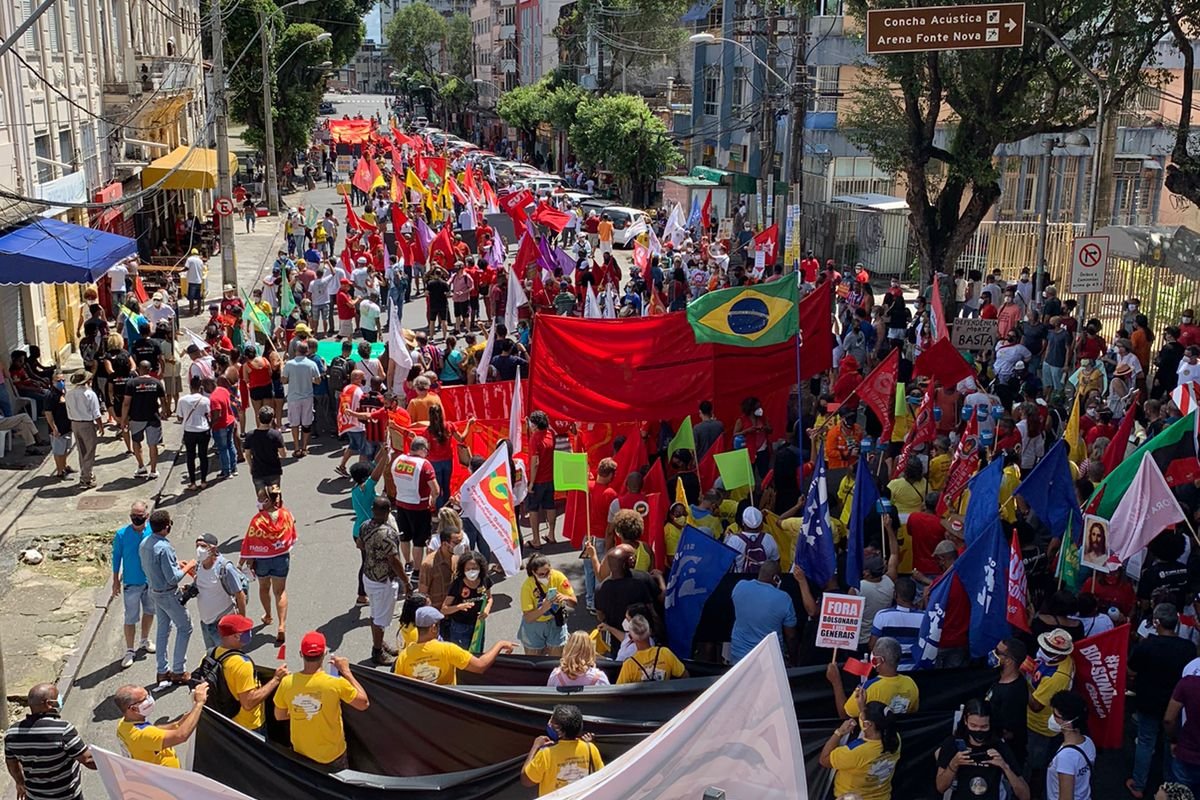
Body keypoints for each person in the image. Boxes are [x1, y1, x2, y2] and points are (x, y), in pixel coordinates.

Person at [273, 631, 370, 771]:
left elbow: (279, 715)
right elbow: (363, 704)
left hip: (301, 754)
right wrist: (346, 672)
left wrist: (302, 712)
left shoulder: (287, 683)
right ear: (324, 653)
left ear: (301, 654)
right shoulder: (336, 683)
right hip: (332, 755)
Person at [1128, 603, 1197, 798]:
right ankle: (1171, 787)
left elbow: (1131, 670)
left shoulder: (1146, 645)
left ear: (1156, 622)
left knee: (1145, 742)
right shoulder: (1188, 648)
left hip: (1148, 702)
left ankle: (1139, 785)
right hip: (1175, 704)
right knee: (1171, 743)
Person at [4, 683, 94, 799]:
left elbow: (11, 764)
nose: (59, 699)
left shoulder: (12, 733)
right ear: (49, 703)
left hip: (34, 796)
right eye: (57, 697)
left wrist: (20, 782)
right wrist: (111, 765)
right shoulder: (63, 730)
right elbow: (87, 760)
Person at [203, 613, 288, 732]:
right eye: (246, 631)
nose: (250, 633)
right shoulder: (242, 664)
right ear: (236, 636)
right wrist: (276, 679)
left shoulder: (210, 655)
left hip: (225, 719)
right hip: (249, 725)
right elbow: (248, 703)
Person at [392, 605, 516, 685]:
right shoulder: (448, 649)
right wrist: (500, 644)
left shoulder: (403, 656)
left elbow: (398, 687)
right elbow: (480, 666)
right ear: (433, 628)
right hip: (448, 707)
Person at [138, 509, 194, 684]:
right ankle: (179, 670)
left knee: (163, 629)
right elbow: (173, 578)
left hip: (154, 591)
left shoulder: (145, 543)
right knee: (185, 627)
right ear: (165, 527)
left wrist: (175, 564)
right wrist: (188, 566)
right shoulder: (164, 547)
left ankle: (162, 670)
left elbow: (155, 566)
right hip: (168, 594)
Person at [935, 698, 1031, 800]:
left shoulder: (999, 746)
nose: (978, 730)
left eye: (984, 726)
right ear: (965, 721)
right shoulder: (953, 743)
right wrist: (954, 764)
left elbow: (1025, 796)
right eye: (973, 725)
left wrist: (1005, 767)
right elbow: (940, 788)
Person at [358, 496, 413, 665]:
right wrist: (406, 582)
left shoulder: (364, 525)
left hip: (369, 576)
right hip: (383, 582)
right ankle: (377, 652)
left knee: (376, 613)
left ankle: (380, 642)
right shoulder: (388, 534)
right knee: (380, 618)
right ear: (389, 511)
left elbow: (359, 544)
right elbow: (394, 560)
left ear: (372, 510)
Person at [240, 485, 295, 646]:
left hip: (262, 560)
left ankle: (268, 615)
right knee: (280, 591)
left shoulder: (257, 521)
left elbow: (248, 542)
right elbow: (292, 525)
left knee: (264, 587)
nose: (258, 502)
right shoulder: (285, 514)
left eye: (259, 500)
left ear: (266, 501)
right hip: (281, 558)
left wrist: (241, 562)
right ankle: (282, 625)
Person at [113, 681, 209, 768]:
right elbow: (181, 736)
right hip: (167, 778)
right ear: (133, 709)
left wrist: (177, 724)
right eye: (144, 699)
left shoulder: (125, 724)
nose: (149, 699)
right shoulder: (141, 734)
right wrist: (199, 703)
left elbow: (154, 731)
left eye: (148, 695)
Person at [819, 700, 902, 800]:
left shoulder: (857, 752)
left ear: (868, 724)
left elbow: (824, 759)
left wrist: (839, 732)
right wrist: (863, 709)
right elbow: (871, 726)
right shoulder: (895, 739)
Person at [1026, 629, 1076, 792]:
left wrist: (1021, 677)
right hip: (1040, 723)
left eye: (1048, 651)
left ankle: (1032, 791)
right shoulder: (1061, 661)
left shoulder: (1056, 678)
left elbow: (1036, 705)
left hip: (1039, 727)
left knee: (1033, 763)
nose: (1043, 651)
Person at [521, 704, 604, 796]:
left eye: (551, 721)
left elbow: (526, 780)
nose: (549, 724)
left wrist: (535, 747)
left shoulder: (546, 753)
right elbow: (601, 776)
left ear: (558, 729)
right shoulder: (590, 748)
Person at [385, 436, 440, 575]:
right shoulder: (424, 464)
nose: (427, 453)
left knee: (404, 536)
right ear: (421, 449)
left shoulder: (398, 460)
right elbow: (436, 490)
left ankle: (408, 563)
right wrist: (433, 499)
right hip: (419, 506)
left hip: (401, 503)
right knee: (419, 541)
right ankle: (417, 571)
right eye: (426, 450)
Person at [830, 637, 920, 720]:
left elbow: (845, 715)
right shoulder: (910, 683)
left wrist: (836, 682)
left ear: (879, 660)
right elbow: (912, 711)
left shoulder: (867, 689)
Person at [112, 501, 155, 670]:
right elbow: (116, 558)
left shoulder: (152, 531)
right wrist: (115, 580)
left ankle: (144, 639)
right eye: (133, 516)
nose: (136, 519)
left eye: (140, 516)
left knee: (150, 611)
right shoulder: (122, 534)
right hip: (131, 582)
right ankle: (130, 650)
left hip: (150, 581)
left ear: (147, 516)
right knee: (130, 617)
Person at [730, 561, 798, 664]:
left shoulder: (739, 586)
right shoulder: (784, 598)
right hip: (769, 661)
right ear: (776, 578)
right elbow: (791, 636)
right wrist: (794, 660)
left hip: (739, 658)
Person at [191, 533, 248, 648]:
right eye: (197, 546)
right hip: (205, 623)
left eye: (203, 546)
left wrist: (241, 623)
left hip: (223, 623)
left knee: (227, 655)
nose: (199, 549)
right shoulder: (199, 566)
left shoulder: (225, 568)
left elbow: (240, 594)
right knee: (212, 654)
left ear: (213, 549)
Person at [520, 554, 576, 656]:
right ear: (534, 572)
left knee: (556, 659)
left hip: (555, 621)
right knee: (534, 659)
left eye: (548, 572)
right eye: (541, 574)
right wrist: (543, 609)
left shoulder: (558, 577)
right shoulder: (527, 586)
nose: (546, 576)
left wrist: (565, 598)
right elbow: (528, 618)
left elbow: (574, 602)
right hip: (535, 625)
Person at [987, 637, 1031, 765]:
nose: (993, 653)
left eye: (997, 652)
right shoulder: (999, 676)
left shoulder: (1013, 693)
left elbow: (1009, 732)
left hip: (1006, 755)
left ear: (1009, 660)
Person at [440, 549, 493, 651]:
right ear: (463, 569)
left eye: (474, 568)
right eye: (468, 569)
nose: (471, 571)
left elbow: (489, 598)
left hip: (478, 625)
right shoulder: (458, 584)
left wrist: (487, 610)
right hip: (460, 627)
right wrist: (459, 607)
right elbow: (444, 609)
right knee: (461, 655)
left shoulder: (484, 580)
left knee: (477, 653)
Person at [1045, 692, 1095, 800]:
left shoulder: (1065, 758)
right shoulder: (1088, 742)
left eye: (1055, 715)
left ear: (1068, 723)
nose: (1052, 718)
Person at [121, 360, 166, 479]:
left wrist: (123, 419)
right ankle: (153, 470)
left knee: (136, 442)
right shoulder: (156, 382)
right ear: (150, 370)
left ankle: (141, 467)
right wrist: (164, 411)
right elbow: (163, 400)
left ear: (138, 370)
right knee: (153, 445)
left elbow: (126, 403)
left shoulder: (131, 383)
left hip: (136, 418)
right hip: (153, 417)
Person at [869, 577, 924, 671]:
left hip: (889, 670)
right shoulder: (924, 618)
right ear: (914, 595)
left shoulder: (882, 615)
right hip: (916, 669)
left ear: (895, 594)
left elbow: (873, 645)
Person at [615, 614, 687, 683]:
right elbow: (685, 675)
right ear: (650, 631)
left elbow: (619, 689)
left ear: (631, 638)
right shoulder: (665, 653)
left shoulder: (629, 665)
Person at [281, 341, 321, 456]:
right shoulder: (311, 364)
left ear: (296, 351)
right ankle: (304, 447)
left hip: (293, 397)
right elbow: (318, 380)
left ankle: (296, 448)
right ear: (307, 351)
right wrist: (309, 380)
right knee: (306, 423)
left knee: (294, 423)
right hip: (307, 397)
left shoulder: (289, 364)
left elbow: (284, 380)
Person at [65, 371, 102, 489]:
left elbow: (68, 409)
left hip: (74, 423)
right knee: (90, 451)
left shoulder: (69, 394)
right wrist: (100, 426)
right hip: (87, 424)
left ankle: (87, 473)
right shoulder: (90, 394)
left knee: (82, 451)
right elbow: (96, 412)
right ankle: (86, 478)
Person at [527, 410, 557, 548]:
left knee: (533, 509)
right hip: (550, 478)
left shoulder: (535, 438)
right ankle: (551, 534)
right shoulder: (551, 434)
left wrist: (531, 483)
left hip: (538, 480)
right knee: (550, 505)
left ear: (534, 424)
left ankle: (536, 540)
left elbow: (535, 462)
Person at [176, 375, 212, 490]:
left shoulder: (182, 400)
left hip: (189, 431)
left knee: (190, 456)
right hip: (203, 430)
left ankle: (192, 483)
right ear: (200, 387)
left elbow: (179, 417)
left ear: (190, 387)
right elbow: (208, 414)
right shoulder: (205, 400)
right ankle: (203, 481)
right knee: (203, 456)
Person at [243, 405, 286, 490]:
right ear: (272, 419)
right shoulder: (276, 435)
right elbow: (283, 454)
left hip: (258, 471)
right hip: (273, 470)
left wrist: (251, 466)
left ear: (258, 417)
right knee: (275, 494)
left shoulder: (250, 435)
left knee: (261, 495)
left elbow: (247, 454)